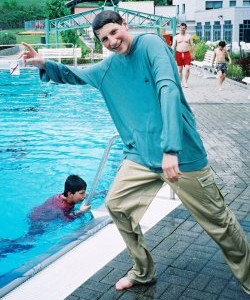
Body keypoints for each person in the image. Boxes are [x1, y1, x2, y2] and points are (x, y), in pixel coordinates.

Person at [20, 11, 250, 294]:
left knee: (220, 224)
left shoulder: (151, 44)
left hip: (182, 156)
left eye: (114, 32)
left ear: (125, 25)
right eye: (104, 39)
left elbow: (168, 89)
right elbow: (75, 74)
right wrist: (43, 62)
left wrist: (170, 148)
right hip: (140, 156)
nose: (112, 41)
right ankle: (143, 272)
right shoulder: (109, 67)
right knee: (116, 205)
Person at [0, 175, 91, 256]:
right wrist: (80, 212)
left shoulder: (67, 197)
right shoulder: (61, 207)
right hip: (39, 222)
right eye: (82, 193)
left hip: (36, 213)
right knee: (27, 244)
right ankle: (3, 250)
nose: (84, 196)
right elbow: (67, 220)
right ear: (70, 194)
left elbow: (79, 200)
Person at [172, 23, 194, 88]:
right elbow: (173, 46)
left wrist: (193, 54)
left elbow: (192, 46)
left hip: (186, 53)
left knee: (187, 68)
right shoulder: (176, 37)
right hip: (178, 53)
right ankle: (181, 82)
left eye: (184, 28)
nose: (182, 29)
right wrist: (170, 52)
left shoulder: (189, 36)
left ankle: (185, 82)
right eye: (181, 28)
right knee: (180, 70)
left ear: (186, 28)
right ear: (180, 28)